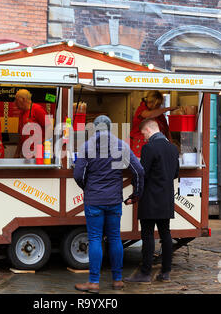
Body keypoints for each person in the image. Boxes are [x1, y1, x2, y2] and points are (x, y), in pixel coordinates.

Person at [73, 115, 144, 294]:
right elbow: (138, 170)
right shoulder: (121, 145)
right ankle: (117, 280)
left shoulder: (87, 146)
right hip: (114, 200)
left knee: (95, 239)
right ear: (110, 128)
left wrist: (87, 187)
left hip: (94, 201)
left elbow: (78, 175)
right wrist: (136, 193)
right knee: (114, 238)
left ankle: (94, 283)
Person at [124, 118, 179, 284]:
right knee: (166, 234)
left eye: (143, 134)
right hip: (166, 198)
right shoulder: (172, 148)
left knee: (147, 236)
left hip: (149, 198)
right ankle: (166, 272)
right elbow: (175, 173)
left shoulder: (149, 147)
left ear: (148, 129)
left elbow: (142, 173)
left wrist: (134, 190)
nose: (144, 137)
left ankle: (146, 273)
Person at [129, 90, 177, 158]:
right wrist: (167, 109)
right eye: (155, 104)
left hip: (154, 146)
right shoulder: (142, 109)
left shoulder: (160, 115)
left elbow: (166, 131)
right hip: (139, 144)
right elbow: (150, 115)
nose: (155, 106)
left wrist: (171, 146)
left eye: (158, 105)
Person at [14, 89, 47, 158]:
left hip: (38, 153)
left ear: (23, 99)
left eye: (16, 100)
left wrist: (47, 150)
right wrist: (17, 152)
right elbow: (21, 136)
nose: (15, 103)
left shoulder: (38, 109)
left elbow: (49, 128)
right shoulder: (21, 113)